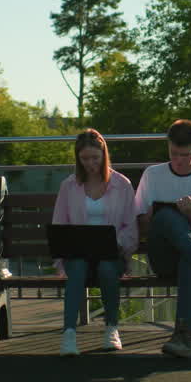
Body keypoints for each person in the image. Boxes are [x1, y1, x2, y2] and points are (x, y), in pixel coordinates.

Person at [134, 119, 191, 358]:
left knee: (190, 260)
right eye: (173, 153)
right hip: (164, 257)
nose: (178, 160)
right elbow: (140, 226)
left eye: (185, 155)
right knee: (164, 216)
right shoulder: (152, 175)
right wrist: (151, 218)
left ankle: (183, 338)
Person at [51, 129, 138, 357]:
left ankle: (112, 328)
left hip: (111, 254)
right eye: (85, 159)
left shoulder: (122, 185)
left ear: (104, 155)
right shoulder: (69, 186)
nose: (90, 163)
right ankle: (69, 334)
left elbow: (131, 227)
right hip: (79, 254)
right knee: (77, 268)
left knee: (107, 268)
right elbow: (59, 225)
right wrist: (64, 253)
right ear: (78, 159)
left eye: (95, 158)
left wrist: (118, 243)